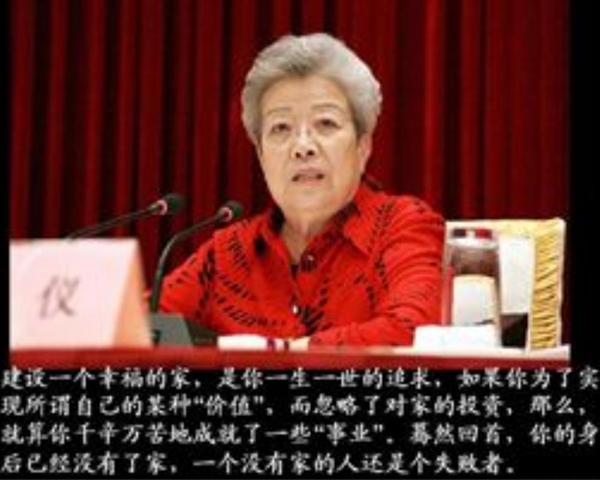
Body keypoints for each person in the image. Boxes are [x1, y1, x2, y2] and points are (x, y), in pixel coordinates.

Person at [157, 33, 445, 349]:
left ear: (363, 147)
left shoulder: (404, 227)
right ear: (261, 155)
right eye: (281, 128)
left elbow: (414, 331)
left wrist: (285, 353)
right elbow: (138, 329)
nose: (303, 147)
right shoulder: (228, 254)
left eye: (326, 124)